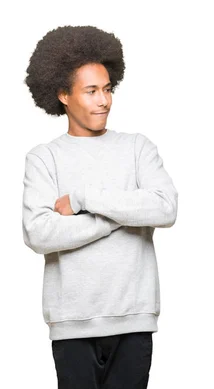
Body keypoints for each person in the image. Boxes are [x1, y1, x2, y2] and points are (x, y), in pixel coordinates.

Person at [22, 25, 177, 388]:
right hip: (72, 321)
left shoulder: (138, 147)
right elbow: (39, 231)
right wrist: (119, 218)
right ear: (63, 94)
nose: (103, 100)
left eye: (107, 89)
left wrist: (84, 200)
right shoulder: (44, 158)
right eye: (91, 91)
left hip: (134, 318)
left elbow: (165, 208)